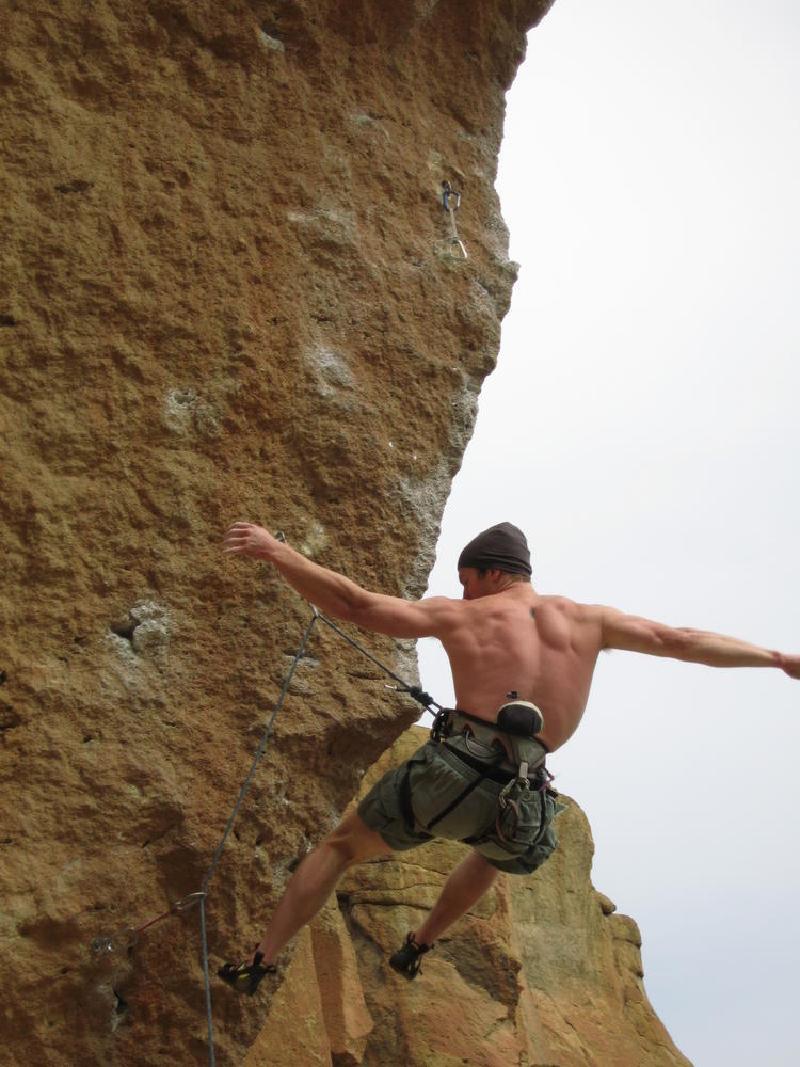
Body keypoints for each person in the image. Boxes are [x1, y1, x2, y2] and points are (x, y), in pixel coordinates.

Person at [217, 520, 799, 995]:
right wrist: (774, 656)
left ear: (494, 574)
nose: (464, 591)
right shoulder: (592, 620)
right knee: (498, 848)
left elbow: (355, 605)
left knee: (341, 848)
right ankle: (420, 943)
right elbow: (681, 639)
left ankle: (263, 960)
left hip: (451, 776)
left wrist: (276, 553)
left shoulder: (463, 614)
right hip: (526, 800)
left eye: (468, 579)